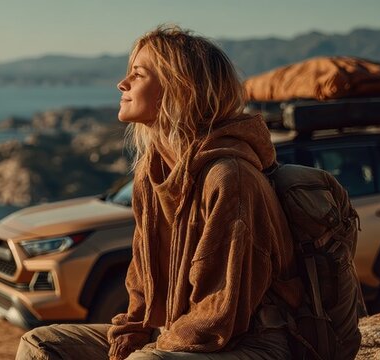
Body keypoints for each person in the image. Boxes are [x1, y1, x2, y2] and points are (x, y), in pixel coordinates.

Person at [16, 25, 302, 360]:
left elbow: (218, 317)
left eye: (137, 75)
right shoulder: (150, 175)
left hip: (252, 344)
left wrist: (151, 348)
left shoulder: (229, 177)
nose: (122, 85)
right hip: (173, 333)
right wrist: (127, 338)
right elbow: (140, 286)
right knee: (41, 345)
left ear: (179, 88)